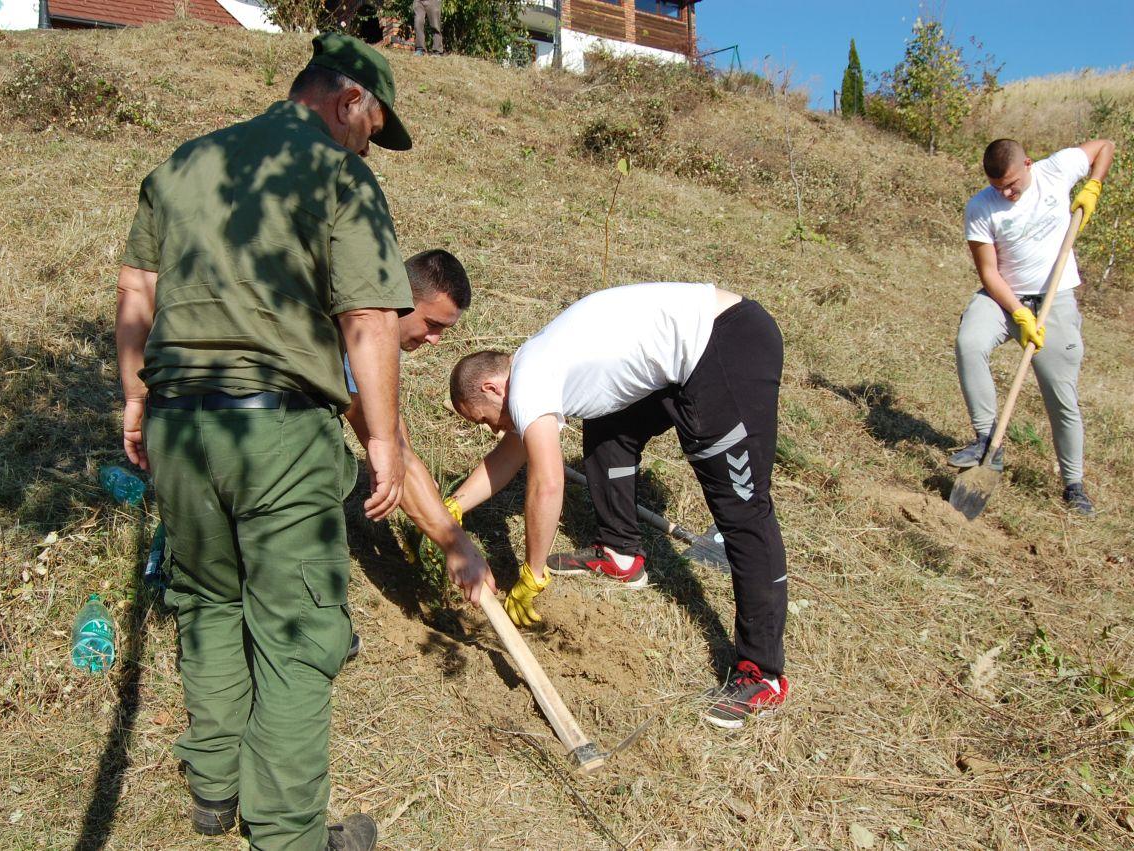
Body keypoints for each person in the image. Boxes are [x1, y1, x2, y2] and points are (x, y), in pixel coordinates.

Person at [114, 32, 415, 851]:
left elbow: (138, 282)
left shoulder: (184, 163)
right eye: (370, 126)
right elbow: (369, 319)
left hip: (177, 421)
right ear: (347, 100)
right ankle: (286, 836)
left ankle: (213, 790)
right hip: (278, 431)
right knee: (296, 631)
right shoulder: (339, 176)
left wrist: (133, 397)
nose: (367, 145)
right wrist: (383, 441)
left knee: (206, 601)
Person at [446, 282, 791, 729]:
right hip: (688, 352)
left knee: (742, 509)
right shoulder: (535, 366)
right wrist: (453, 504)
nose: (493, 430)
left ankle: (763, 673)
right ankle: (620, 552)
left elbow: (547, 483)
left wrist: (532, 572)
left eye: (484, 420)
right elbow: (512, 452)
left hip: (725, 344)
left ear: (493, 387)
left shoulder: (529, 381)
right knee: (609, 425)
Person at [949, 137, 1115, 516]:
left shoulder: (1056, 170)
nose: (1006, 193)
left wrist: (1094, 185)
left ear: (1028, 163)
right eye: (997, 187)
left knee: (1060, 395)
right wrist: (1019, 313)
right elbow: (989, 273)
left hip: (1055, 299)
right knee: (969, 341)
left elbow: (1104, 146)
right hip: (1004, 297)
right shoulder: (980, 207)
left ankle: (1073, 484)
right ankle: (988, 439)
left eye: (1011, 183)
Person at [342, 249, 495, 607]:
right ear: (400, 299)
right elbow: (396, 464)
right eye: (432, 324)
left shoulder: (374, 333)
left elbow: (402, 455)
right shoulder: (359, 336)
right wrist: (457, 546)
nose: (436, 340)